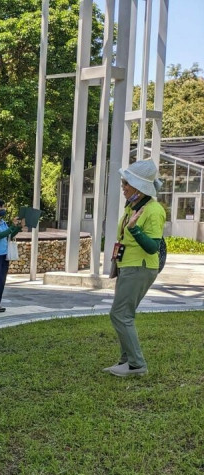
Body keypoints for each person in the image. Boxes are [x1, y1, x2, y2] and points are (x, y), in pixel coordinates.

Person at [104, 159, 166, 377]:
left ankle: (137, 365)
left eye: (126, 184)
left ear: (139, 188)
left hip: (139, 267)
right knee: (124, 314)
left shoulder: (154, 210)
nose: (123, 187)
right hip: (127, 265)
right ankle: (126, 361)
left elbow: (152, 248)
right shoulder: (133, 206)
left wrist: (135, 231)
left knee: (119, 315)